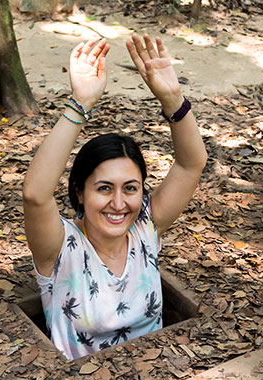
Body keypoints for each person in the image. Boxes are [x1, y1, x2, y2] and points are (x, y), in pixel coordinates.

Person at [23, 35, 207, 360]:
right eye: (104, 188)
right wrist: (80, 105)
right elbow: (36, 195)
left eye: (130, 188)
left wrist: (173, 99)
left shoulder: (145, 229)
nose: (119, 204)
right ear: (79, 191)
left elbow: (191, 163)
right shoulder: (59, 248)